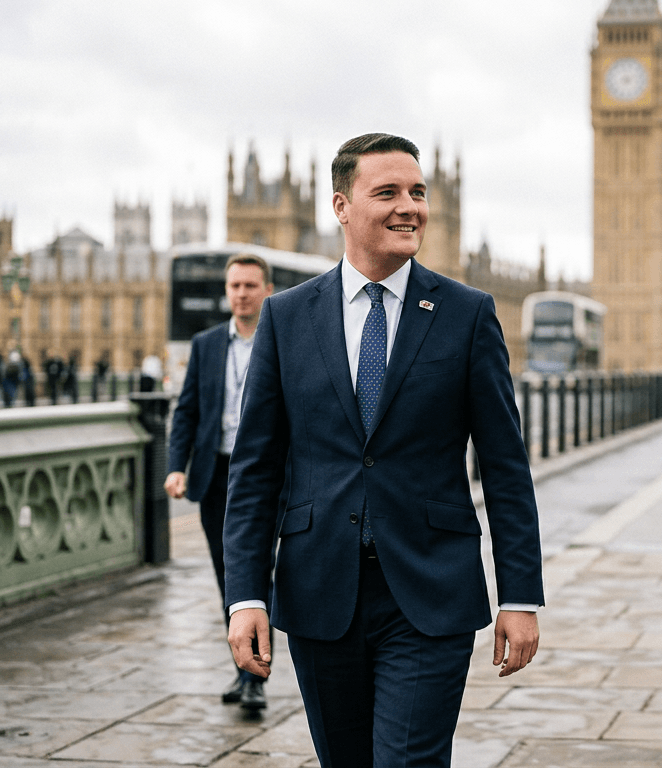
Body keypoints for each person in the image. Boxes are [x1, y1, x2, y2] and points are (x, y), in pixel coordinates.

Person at [222, 133, 544, 768]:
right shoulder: (287, 317)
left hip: (430, 589)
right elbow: (255, 471)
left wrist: (520, 595)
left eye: (418, 193)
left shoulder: (467, 313)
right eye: (388, 192)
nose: (409, 207)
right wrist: (246, 596)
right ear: (341, 206)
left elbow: (506, 468)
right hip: (319, 589)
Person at [166, 252, 277, 711]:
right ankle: (246, 671)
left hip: (269, 475)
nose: (242, 294)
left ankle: (257, 673)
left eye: (250, 285)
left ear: (267, 290)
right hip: (217, 475)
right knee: (229, 576)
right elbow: (187, 411)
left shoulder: (281, 338)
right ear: (226, 292)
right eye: (235, 286)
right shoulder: (207, 344)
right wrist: (176, 466)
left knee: (262, 574)